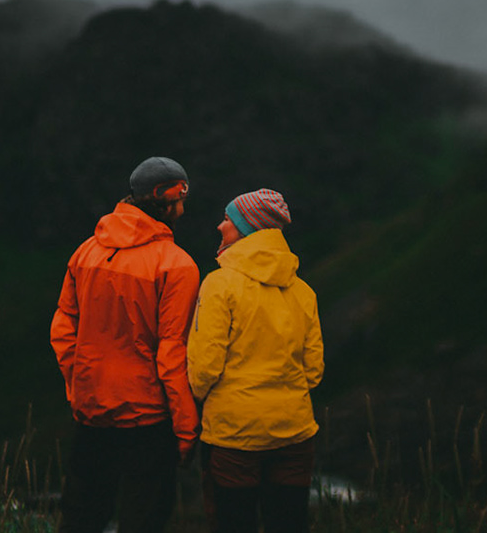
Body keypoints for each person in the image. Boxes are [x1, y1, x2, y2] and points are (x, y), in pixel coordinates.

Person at [50, 156, 201, 533]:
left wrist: (78, 384)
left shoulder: (86, 252)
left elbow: (63, 328)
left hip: (91, 410)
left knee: (81, 516)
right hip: (146, 419)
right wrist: (185, 429)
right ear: (159, 198)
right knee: (143, 519)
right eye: (179, 198)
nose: (182, 209)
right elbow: (171, 354)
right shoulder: (177, 266)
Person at [187, 189, 324, 533]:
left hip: (235, 434)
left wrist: (205, 402)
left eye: (228, 220)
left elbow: (204, 368)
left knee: (234, 523)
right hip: (294, 430)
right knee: (289, 523)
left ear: (247, 229)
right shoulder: (304, 291)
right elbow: (314, 371)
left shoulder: (219, 284)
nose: (220, 226)